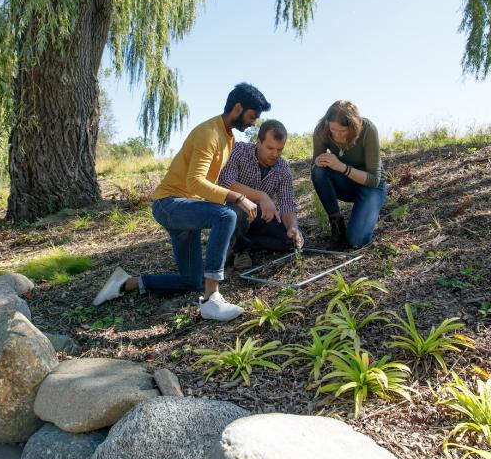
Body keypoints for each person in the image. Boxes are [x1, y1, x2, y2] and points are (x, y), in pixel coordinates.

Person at [91, 83, 270, 321]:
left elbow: (205, 186)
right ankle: (211, 299)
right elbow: (195, 182)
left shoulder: (228, 138)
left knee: (190, 280)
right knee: (226, 214)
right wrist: (238, 198)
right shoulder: (209, 133)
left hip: (187, 209)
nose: (254, 122)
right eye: (252, 116)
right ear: (238, 108)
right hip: (169, 204)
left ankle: (127, 283)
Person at [219, 119, 304, 268]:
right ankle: (240, 250)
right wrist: (261, 196)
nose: (274, 154)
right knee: (237, 209)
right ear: (258, 142)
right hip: (233, 212)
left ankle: (244, 243)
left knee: (293, 240)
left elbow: (287, 204)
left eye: (279, 149)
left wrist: (293, 226)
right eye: (270, 148)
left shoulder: (283, 167)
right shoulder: (238, 151)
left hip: (260, 217)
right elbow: (226, 183)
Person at [311, 100, 387, 249]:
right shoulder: (322, 130)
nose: (337, 136)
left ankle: (367, 211)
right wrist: (320, 161)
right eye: (333, 130)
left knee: (356, 240)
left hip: (371, 186)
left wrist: (342, 167)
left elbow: (374, 180)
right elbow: (316, 169)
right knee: (318, 170)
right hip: (345, 183)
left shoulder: (368, 130)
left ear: (353, 126)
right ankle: (337, 227)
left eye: (343, 131)